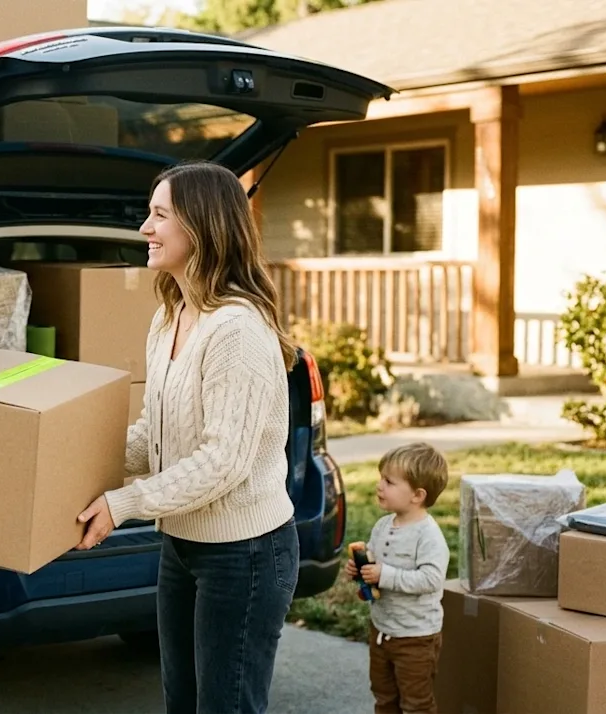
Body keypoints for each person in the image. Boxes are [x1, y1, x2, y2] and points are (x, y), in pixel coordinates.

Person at [76, 161, 301, 714]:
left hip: (244, 552)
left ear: (201, 227)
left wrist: (122, 503)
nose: (144, 230)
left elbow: (222, 461)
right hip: (182, 543)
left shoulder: (237, 330)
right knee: (182, 701)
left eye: (159, 216)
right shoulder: (171, 316)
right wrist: (73, 464)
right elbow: (156, 433)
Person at [345, 442, 450, 714]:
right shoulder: (383, 526)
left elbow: (431, 580)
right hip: (381, 630)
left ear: (417, 495)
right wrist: (361, 571)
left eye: (389, 481)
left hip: (415, 638)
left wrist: (385, 575)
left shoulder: (428, 536)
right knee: (384, 697)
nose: (380, 485)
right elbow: (374, 563)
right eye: (381, 478)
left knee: (416, 704)